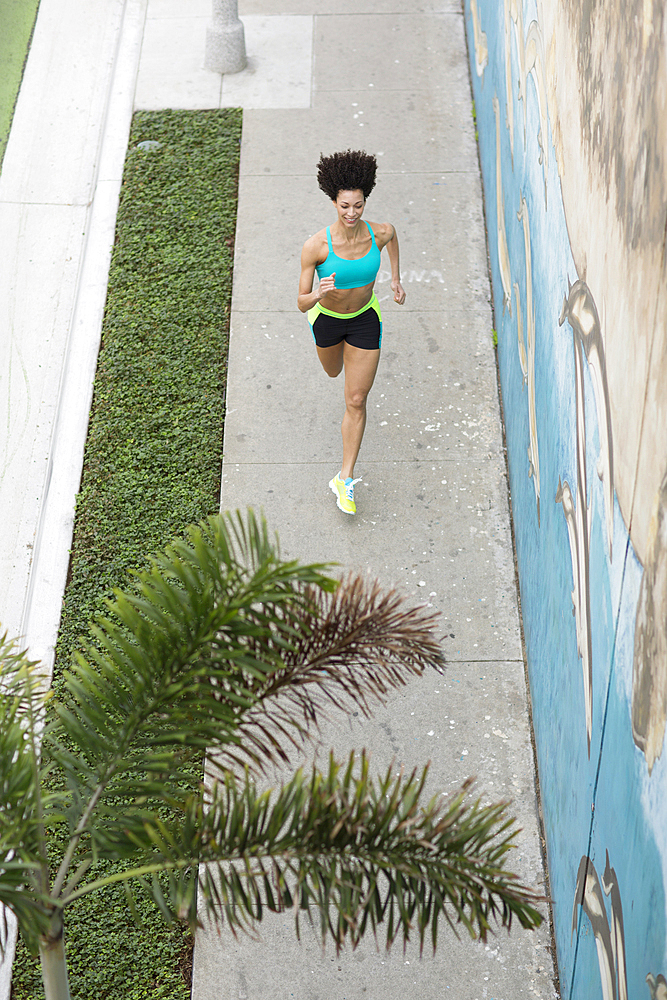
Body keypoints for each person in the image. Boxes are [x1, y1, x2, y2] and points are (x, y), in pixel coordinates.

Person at [297, 149, 406, 515]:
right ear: (333, 202)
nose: (351, 213)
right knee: (333, 371)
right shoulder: (317, 246)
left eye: (357, 206)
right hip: (326, 318)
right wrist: (318, 293)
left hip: (364, 318)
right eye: (344, 206)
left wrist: (396, 280)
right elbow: (300, 301)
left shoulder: (379, 233)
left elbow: (393, 240)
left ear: (365, 201)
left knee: (356, 399)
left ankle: (344, 479)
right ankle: (342, 354)